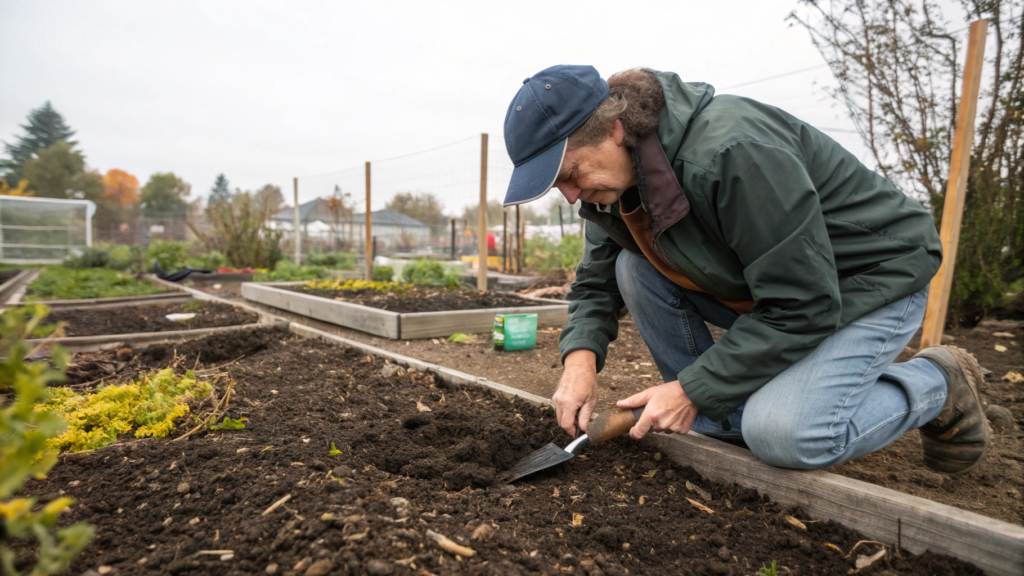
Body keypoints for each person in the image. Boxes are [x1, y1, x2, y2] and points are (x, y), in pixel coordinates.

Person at [500, 65, 990, 474]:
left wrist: (692, 387)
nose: (568, 195)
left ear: (613, 130)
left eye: (571, 174)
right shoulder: (613, 188)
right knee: (634, 266)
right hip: (780, 291)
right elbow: (596, 281)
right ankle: (724, 415)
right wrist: (580, 358)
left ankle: (936, 382)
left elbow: (805, 303)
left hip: (868, 279)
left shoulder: (731, 154)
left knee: (786, 436)